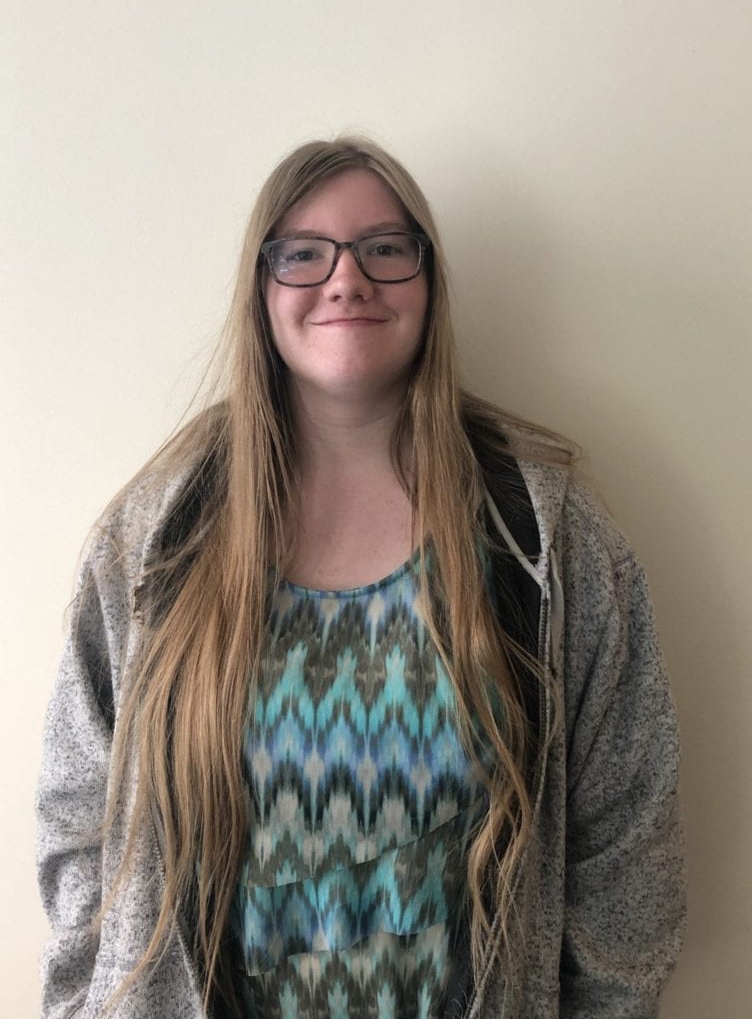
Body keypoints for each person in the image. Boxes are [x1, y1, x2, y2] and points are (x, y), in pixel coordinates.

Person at [36, 136, 685, 1019]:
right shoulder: (156, 539)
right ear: (261, 288)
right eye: (304, 254)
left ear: (429, 279)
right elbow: (79, 812)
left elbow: (626, 841)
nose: (347, 280)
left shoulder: (550, 539)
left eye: (385, 247)